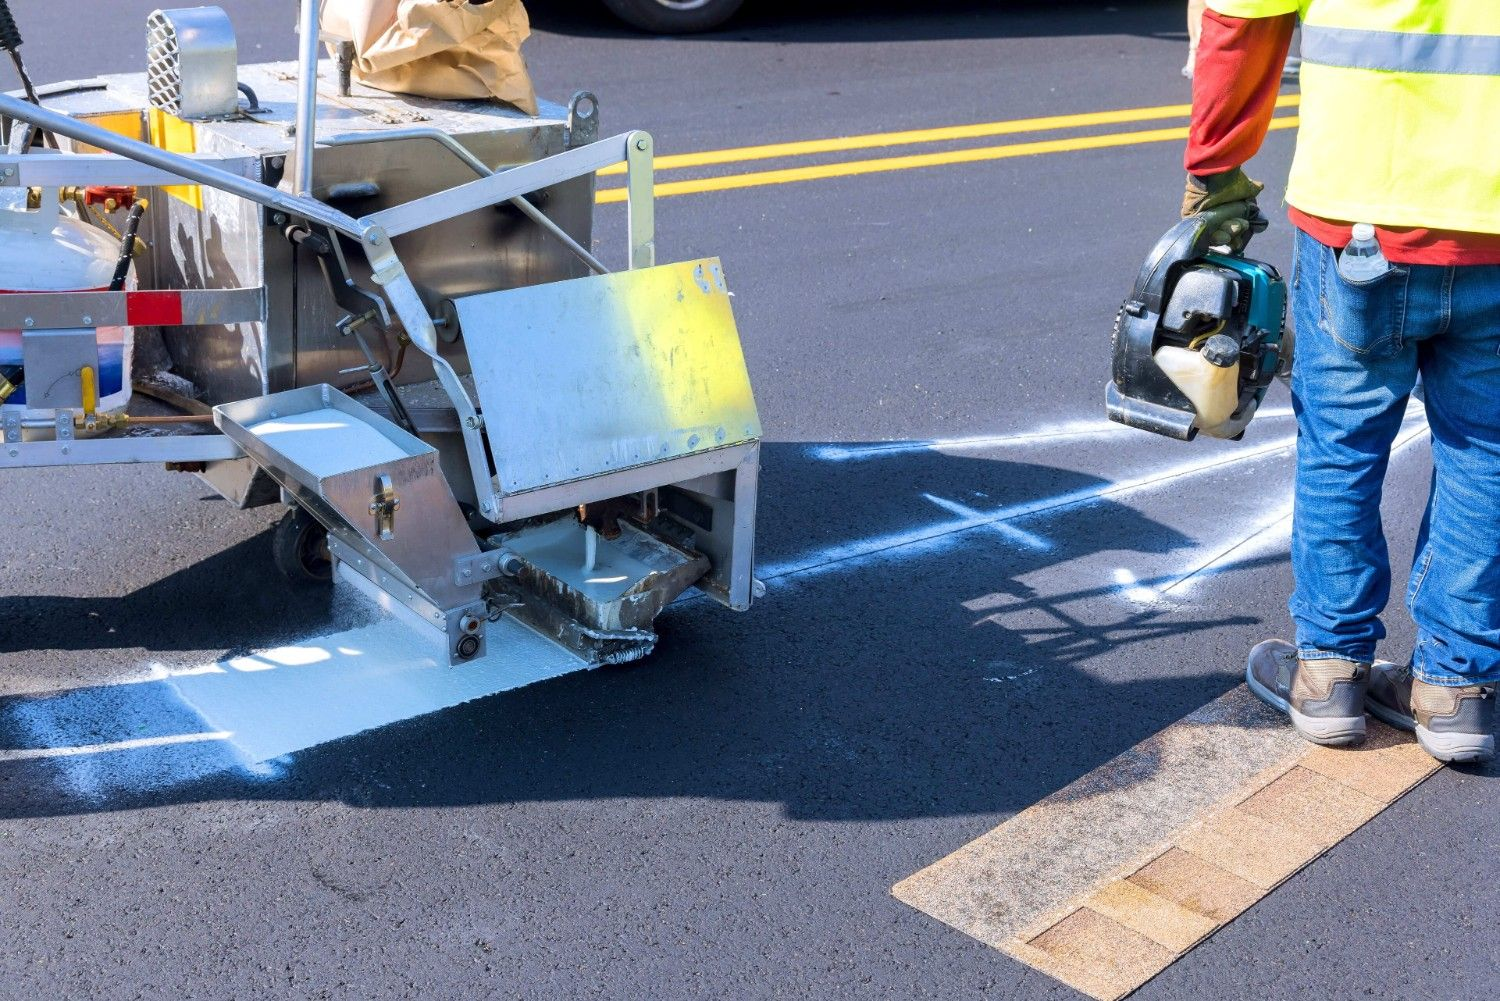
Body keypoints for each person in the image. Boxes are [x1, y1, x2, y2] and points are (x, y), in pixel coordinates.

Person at [1181, 0, 1499, 764]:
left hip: (1355, 215)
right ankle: (1457, 689)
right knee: (1486, 451)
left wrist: (1214, 171)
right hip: (1491, 223)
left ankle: (1328, 672)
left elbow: (1240, 20)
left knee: (1340, 444)